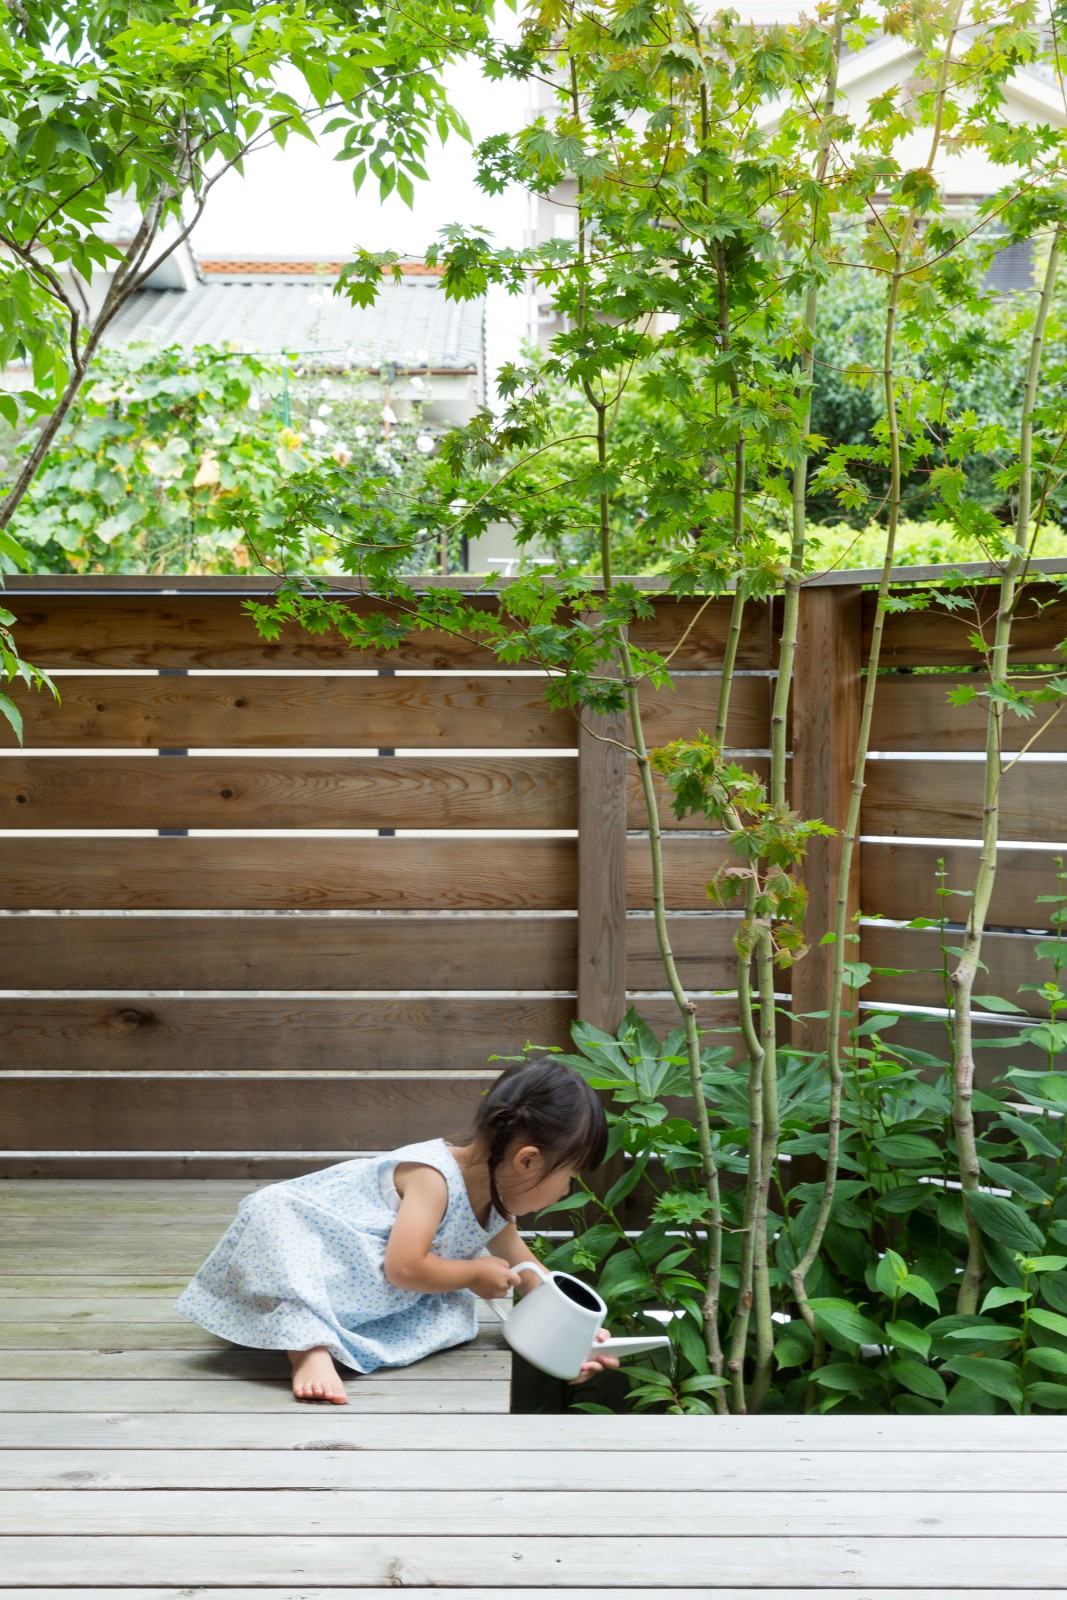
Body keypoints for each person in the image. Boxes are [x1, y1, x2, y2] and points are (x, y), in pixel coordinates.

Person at [175, 1056, 620, 1403]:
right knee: (283, 1232)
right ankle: (309, 1349)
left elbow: (530, 1274)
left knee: (449, 1313)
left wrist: (575, 1336)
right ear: (528, 1160)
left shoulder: (496, 1204)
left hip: (367, 1277)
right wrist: (472, 1273)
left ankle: (334, 1335)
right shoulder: (434, 1176)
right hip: (318, 1238)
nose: (567, 1192)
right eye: (571, 1177)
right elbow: (405, 1267)